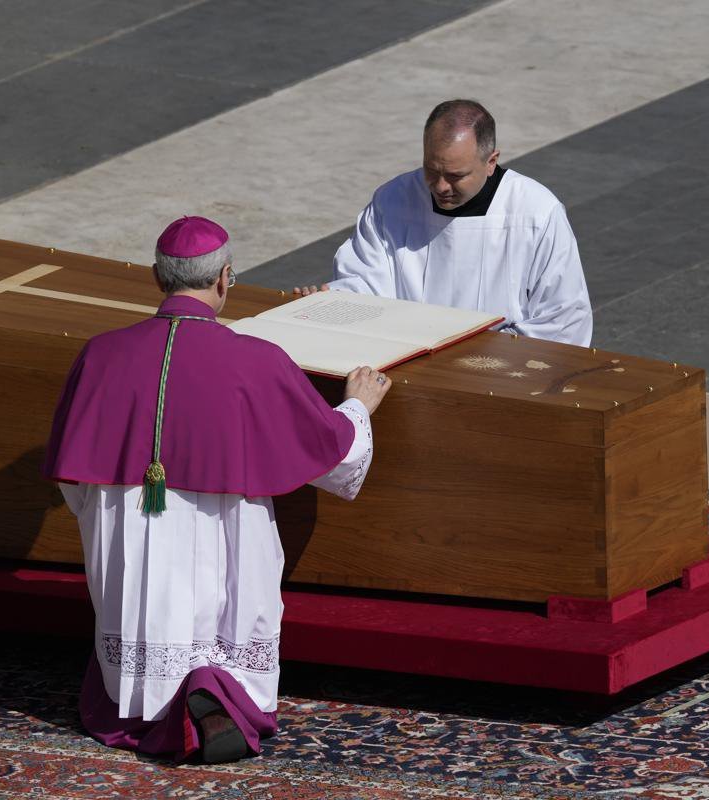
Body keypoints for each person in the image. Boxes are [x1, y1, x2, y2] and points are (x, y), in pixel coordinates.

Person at [42, 216, 391, 763]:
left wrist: (112, 511)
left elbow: (73, 478)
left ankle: (146, 704)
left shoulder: (101, 354)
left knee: (144, 605)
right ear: (226, 277)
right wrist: (357, 407)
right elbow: (331, 451)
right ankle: (218, 695)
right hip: (225, 527)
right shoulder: (257, 360)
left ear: (157, 276)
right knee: (224, 602)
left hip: (131, 530)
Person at [295, 99, 592, 346]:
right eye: (431, 170)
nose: (440, 187)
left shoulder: (536, 213)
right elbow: (365, 282)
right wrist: (331, 302)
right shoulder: (393, 199)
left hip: (499, 370)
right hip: (405, 358)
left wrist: (478, 356)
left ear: (490, 162)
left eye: (455, 175)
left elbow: (561, 318)